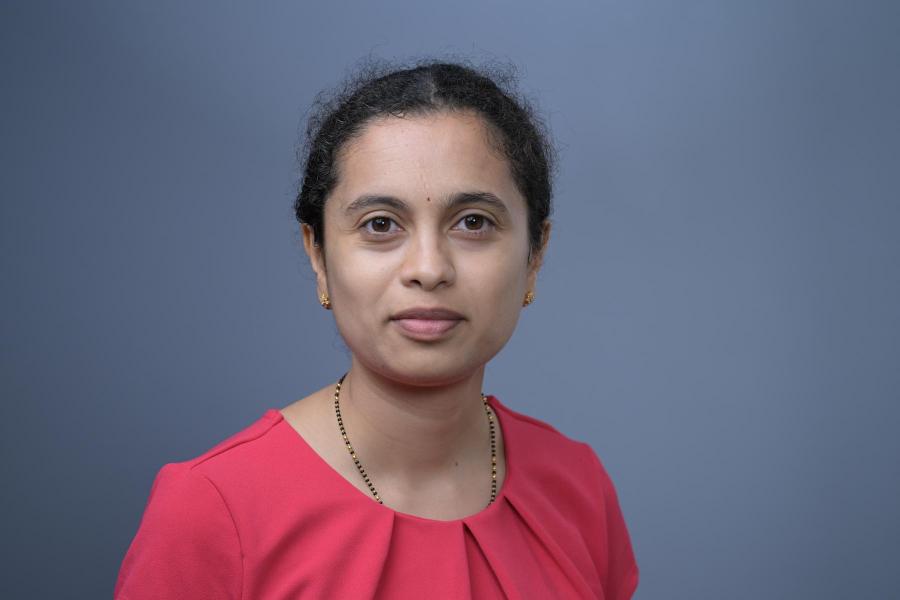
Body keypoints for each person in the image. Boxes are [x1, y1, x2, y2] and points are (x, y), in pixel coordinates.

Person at [114, 60, 638, 599]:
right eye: (381, 224)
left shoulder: (577, 486)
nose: (429, 269)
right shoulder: (211, 508)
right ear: (318, 255)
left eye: (473, 222)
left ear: (535, 255)